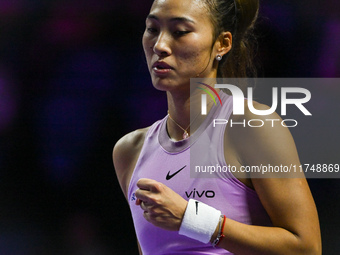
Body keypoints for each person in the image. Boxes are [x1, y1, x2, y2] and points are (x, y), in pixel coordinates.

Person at [113, 0, 322, 254]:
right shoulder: (129, 152)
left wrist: (192, 219)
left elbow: (307, 247)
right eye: (152, 29)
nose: (160, 45)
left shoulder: (251, 125)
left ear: (222, 44)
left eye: (179, 32)